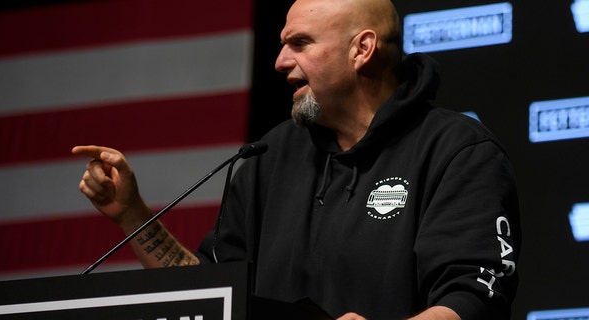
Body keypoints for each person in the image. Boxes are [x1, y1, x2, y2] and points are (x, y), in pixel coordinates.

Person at [72, 0, 521, 319]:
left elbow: (473, 298)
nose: (280, 61)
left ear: (361, 49)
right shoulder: (270, 156)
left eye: (300, 43)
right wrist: (132, 216)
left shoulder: (456, 150)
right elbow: (211, 294)